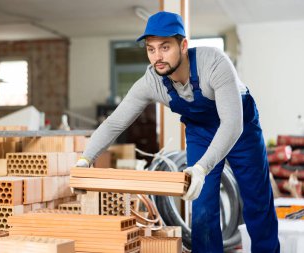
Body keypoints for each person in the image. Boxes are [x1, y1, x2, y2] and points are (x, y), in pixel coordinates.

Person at [76, 11, 280, 253]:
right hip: (201, 132)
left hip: (241, 127)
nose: (157, 57)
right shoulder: (150, 82)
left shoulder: (214, 63)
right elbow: (114, 123)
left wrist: (202, 168)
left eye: (165, 47)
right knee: (202, 207)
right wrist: (84, 159)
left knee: (257, 201)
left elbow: (231, 125)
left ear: (183, 45)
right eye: (151, 49)